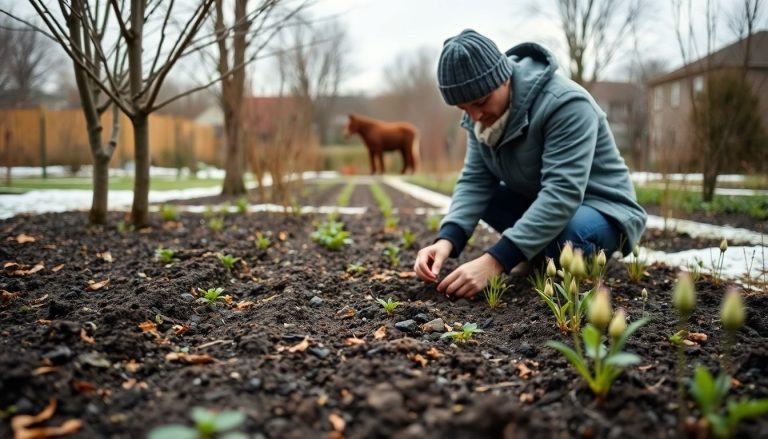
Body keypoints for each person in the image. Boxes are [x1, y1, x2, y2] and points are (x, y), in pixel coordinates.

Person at [413, 29, 647, 299]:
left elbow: (562, 192)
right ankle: (539, 253)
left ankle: (548, 254)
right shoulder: (482, 119)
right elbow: (475, 181)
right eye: (464, 109)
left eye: (480, 102)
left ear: (504, 79)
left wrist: (496, 261)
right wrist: (446, 240)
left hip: (603, 209)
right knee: (488, 198)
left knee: (568, 239)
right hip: (546, 205)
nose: (475, 116)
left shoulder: (565, 104)